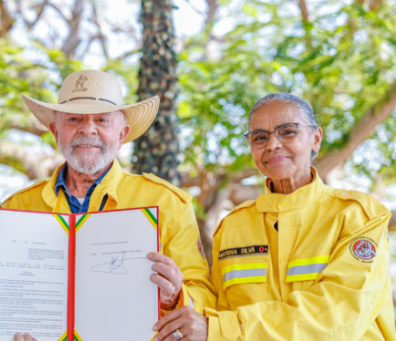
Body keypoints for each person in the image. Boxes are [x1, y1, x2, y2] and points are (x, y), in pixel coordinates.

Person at [153, 93, 396, 341]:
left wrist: (223, 329)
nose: (272, 145)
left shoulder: (358, 216)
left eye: (288, 132)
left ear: (315, 139)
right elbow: (214, 315)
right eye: (260, 137)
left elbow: (340, 315)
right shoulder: (232, 227)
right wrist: (175, 298)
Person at [1, 70, 216, 340]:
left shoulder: (167, 203)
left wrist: (175, 296)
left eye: (102, 119)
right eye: (74, 119)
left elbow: (205, 298)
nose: (88, 129)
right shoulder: (14, 208)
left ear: (122, 134)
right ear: (55, 131)